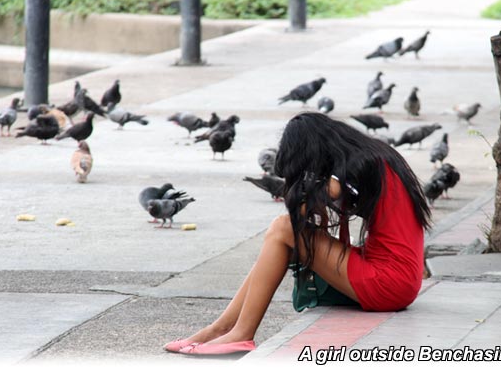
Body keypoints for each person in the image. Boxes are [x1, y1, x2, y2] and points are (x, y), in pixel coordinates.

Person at [165, 112, 432, 355]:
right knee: (283, 231)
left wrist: (303, 196)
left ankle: (240, 332)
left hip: (388, 282)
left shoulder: (359, 165)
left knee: (283, 228)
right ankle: (221, 328)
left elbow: (305, 209)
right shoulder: (373, 158)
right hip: (399, 280)